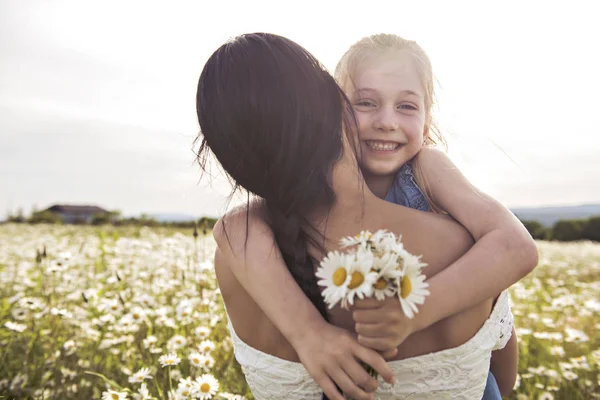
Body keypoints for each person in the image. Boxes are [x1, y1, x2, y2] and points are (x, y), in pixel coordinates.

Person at [196, 33, 535, 400]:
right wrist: (309, 331)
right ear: (336, 107)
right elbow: (502, 355)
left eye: (406, 107)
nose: (386, 121)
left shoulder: (427, 168)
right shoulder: (454, 244)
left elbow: (517, 246)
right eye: (365, 103)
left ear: (426, 123)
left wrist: (412, 311)